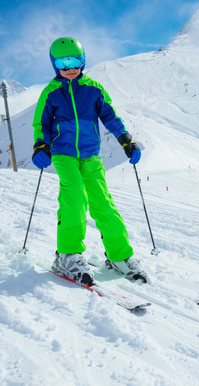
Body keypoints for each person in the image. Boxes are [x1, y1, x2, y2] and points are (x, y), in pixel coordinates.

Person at [31, 37, 147, 285]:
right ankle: (67, 255)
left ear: (83, 61)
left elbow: (110, 116)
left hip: (90, 155)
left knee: (103, 204)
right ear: (54, 65)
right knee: (74, 198)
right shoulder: (50, 93)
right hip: (63, 154)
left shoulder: (94, 88)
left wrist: (125, 139)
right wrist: (41, 145)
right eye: (64, 62)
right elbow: (41, 124)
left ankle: (119, 256)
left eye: (76, 61)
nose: (71, 67)